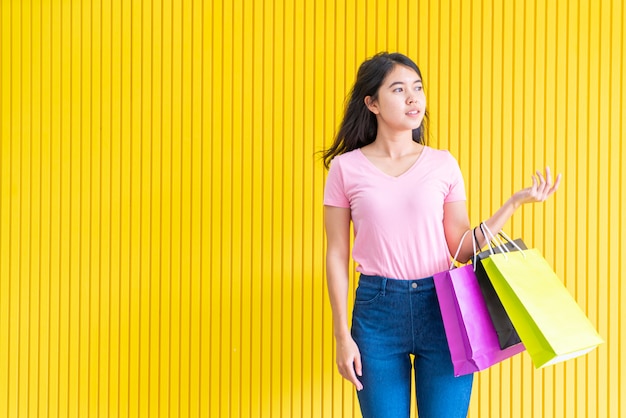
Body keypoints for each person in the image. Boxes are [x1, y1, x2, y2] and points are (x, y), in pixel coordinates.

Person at [322, 52, 561, 418]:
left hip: (443, 306)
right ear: (371, 103)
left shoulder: (442, 163)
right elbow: (337, 254)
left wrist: (513, 204)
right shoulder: (345, 169)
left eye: (417, 88)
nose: (413, 98)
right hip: (376, 312)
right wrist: (342, 334)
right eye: (399, 89)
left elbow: (462, 248)